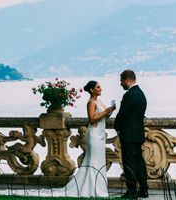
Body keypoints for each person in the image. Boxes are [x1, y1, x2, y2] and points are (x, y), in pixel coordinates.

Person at [63, 80, 116, 198]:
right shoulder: (91, 102)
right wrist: (106, 111)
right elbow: (92, 119)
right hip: (94, 135)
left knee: (99, 161)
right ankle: (91, 189)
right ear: (92, 90)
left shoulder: (99, 101)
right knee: (93, 161)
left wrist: (110, 111)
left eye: (100, 87)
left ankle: (98, 187)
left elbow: (103, 118)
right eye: (98, 87)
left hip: (101, 134)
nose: (100, 88)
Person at [114, 69, 148, 199]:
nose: (121, 84)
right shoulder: (141, 94)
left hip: (128, 135)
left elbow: (122, 115)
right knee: (139, 161)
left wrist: (117, 126)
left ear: (127, 80)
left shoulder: (129, 95)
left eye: (121, 81)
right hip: (138, 134)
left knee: (129, 163)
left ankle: (132, 191)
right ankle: (144, 189)